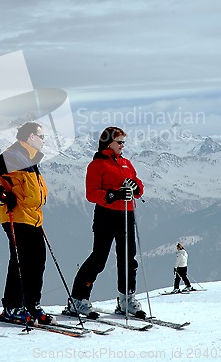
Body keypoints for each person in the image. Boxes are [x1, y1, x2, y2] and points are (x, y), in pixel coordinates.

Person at [0, 121, 55, 325]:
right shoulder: (14, 156)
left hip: (32, 217)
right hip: (16, 216)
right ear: (30, 137)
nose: (44, 140)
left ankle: (30, 304)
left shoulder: (29, 158)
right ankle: (12, 306)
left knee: (37, 260)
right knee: (21, 261)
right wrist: (0, 194)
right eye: (42, 136)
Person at [65, 126, 146, 319]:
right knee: (99, 257)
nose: (122, 146)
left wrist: (136, 187)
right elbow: (91, 193)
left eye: (124, 143)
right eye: (119, 142)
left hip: (126, 213)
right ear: (108, 143)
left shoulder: (126, 163)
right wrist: (113, 194)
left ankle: (126, 299)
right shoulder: (97, 165)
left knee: (128, 258)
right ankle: (78, 298)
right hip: (106, 215)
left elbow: (138, 185)